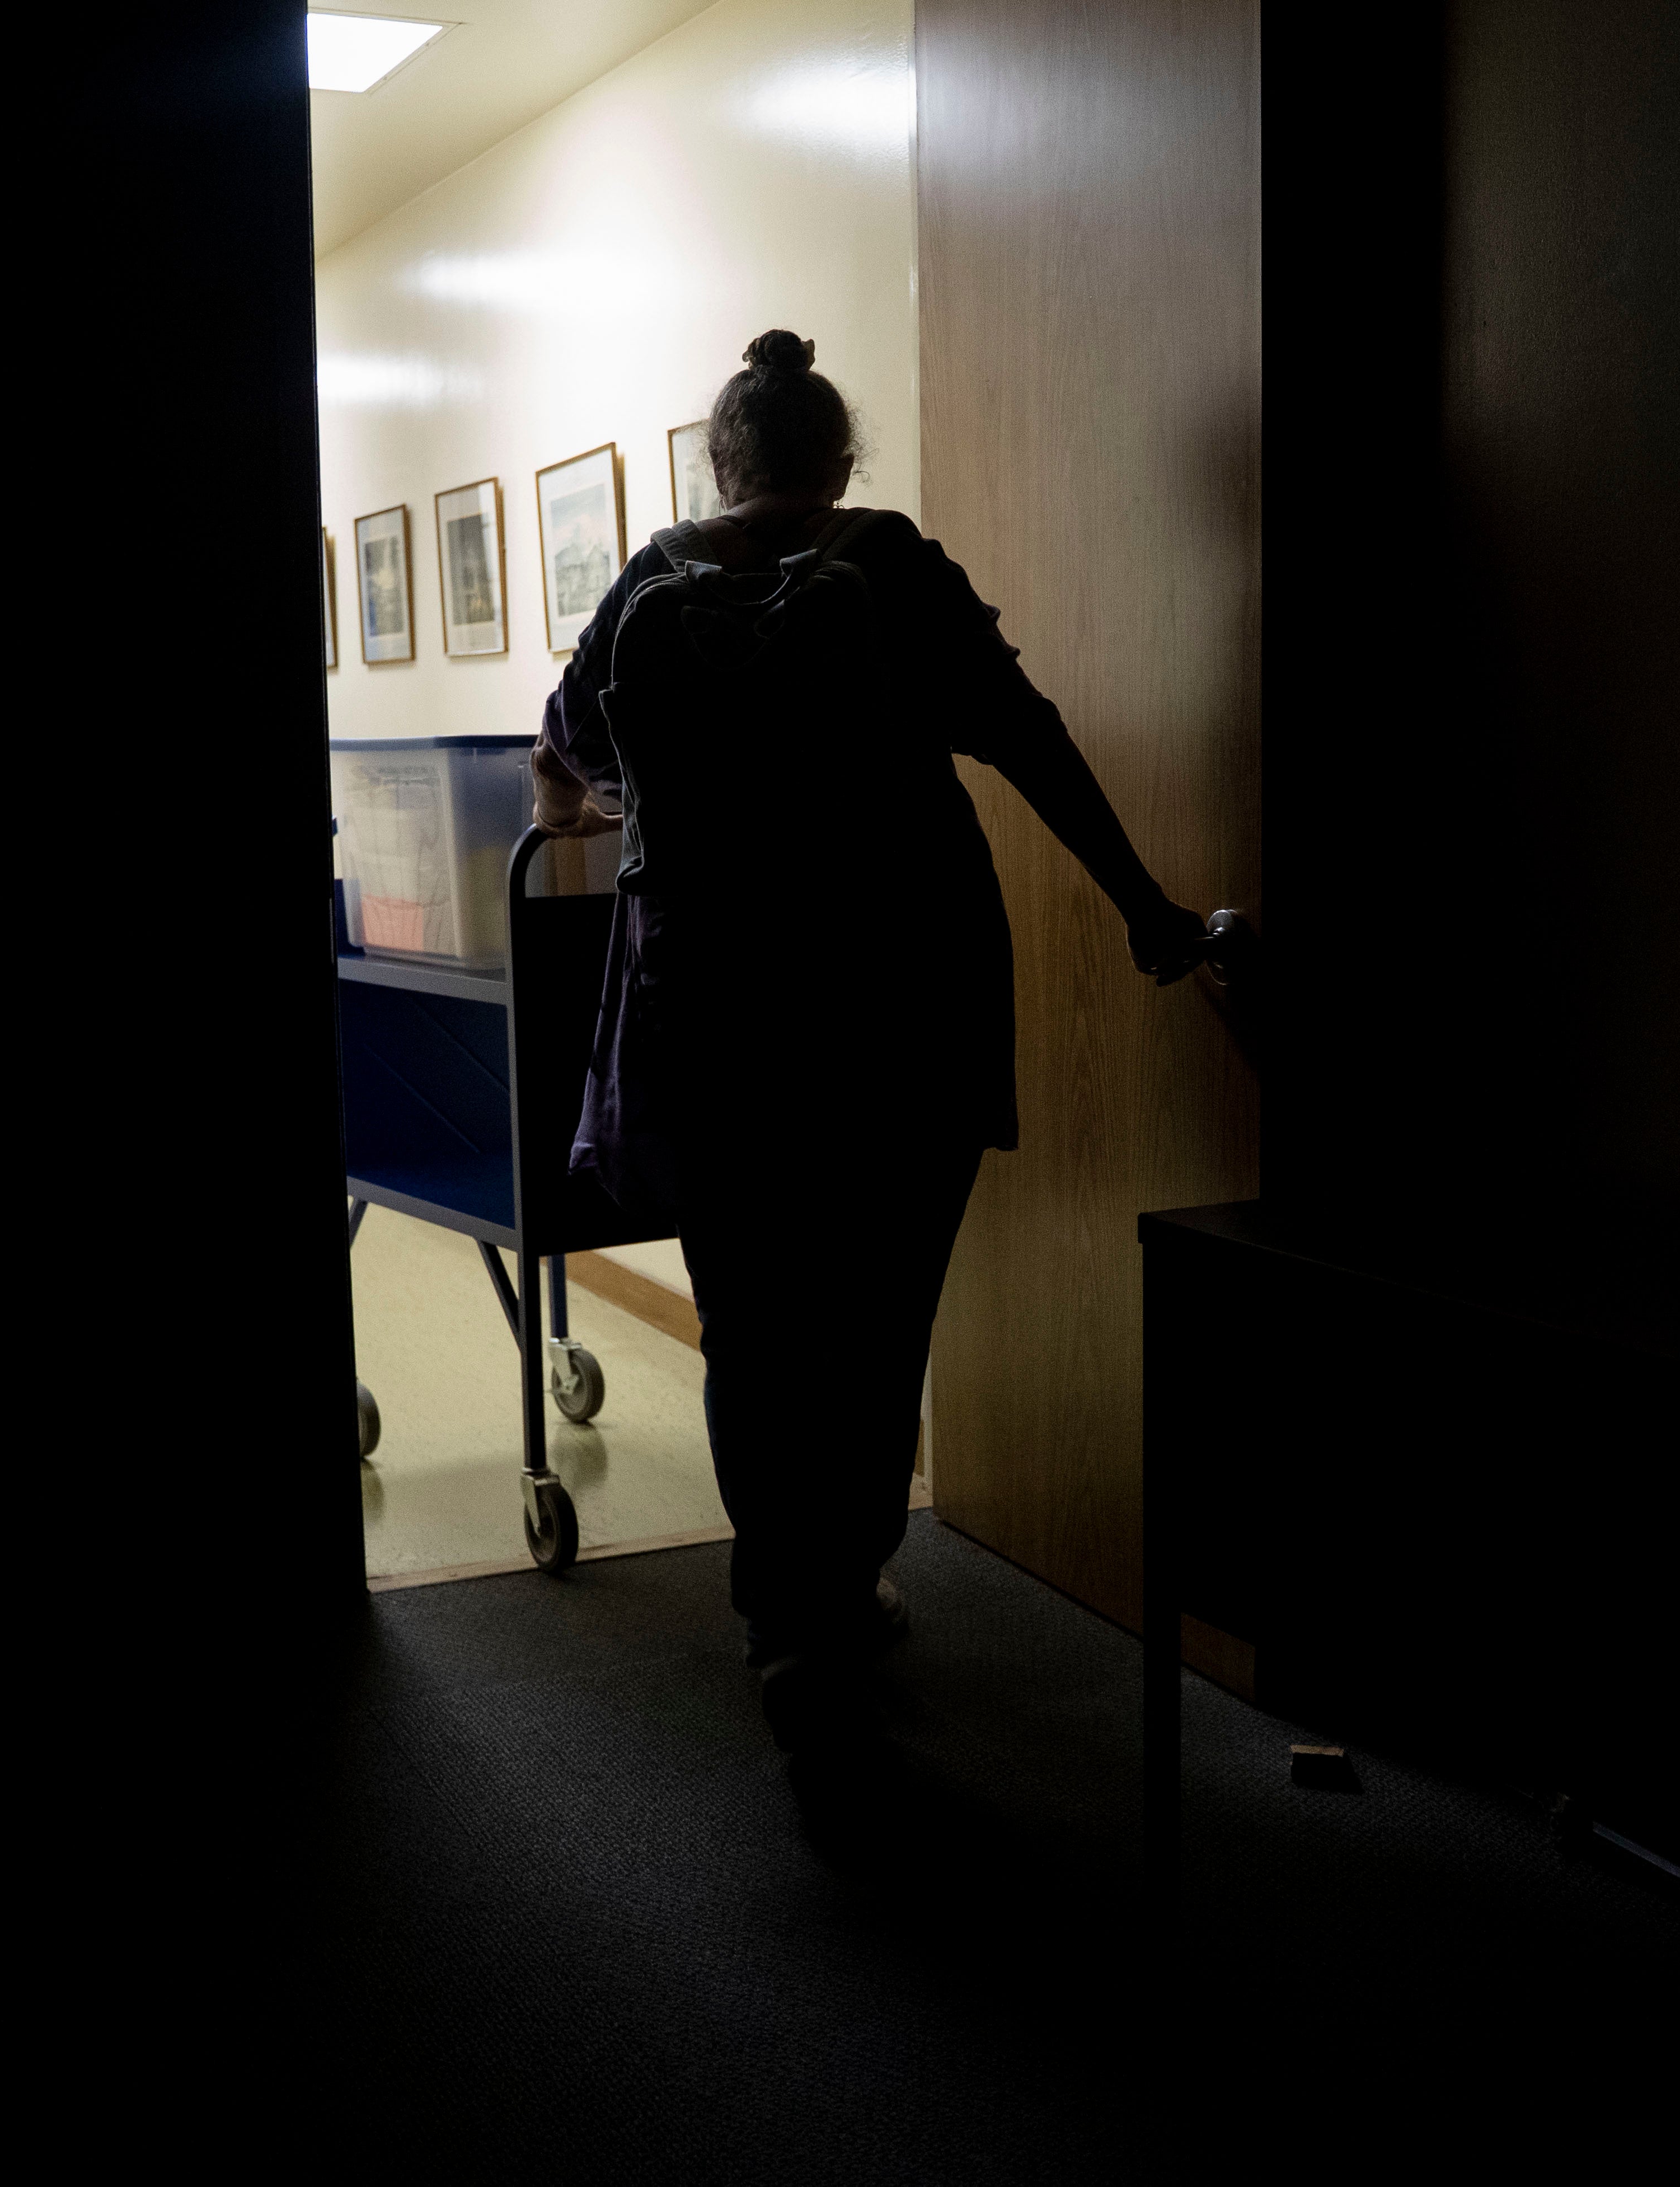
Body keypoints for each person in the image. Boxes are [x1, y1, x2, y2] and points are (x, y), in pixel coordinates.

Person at [533, 329, 1207, 1768]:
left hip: (710, 1022)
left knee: (756, 1328)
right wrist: (1148, 913)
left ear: (719, 462)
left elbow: (569, 757)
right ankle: (841, 1592)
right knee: (880, 1321)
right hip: (906, 1006)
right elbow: (1032, 743)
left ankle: (783, 1623)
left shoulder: (647, 583)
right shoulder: (891, 561)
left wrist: (607, 809)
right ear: (839, 458)